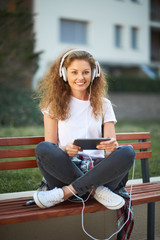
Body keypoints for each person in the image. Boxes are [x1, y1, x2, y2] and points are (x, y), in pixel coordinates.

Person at [33, 49, 135, 211]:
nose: (80, 77)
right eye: (74, 72)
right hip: (65, 173)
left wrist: (111, 147)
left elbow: (111, 148)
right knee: (43, 148)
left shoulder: (104, 104)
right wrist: (66, 150)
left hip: (99, 172)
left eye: (86, 72)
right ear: (64, 74)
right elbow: (50, 148)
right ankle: (96, 190)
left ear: (94, 74)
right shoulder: (53, 106)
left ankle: (65, 193)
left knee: (127, 152)